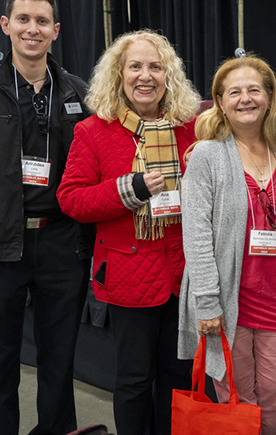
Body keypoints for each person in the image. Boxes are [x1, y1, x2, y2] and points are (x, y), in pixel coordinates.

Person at [0, 0, 91, 435]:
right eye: (23, 19)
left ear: (55, 31)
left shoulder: (78, 94)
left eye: (41, 22)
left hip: (61, 244)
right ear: (5, 25)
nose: (31, 29)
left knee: (60, 362)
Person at [57, 29, 199, 435]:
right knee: (134, 382)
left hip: (182, 274)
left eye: (155, 66)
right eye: (134, 66)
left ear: (168, 75)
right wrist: (131, 189)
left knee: (177, 381)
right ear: (118, 75)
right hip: (128, 277)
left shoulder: (190, 129)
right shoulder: (93, 132)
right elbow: (72, 200)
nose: (145, 75)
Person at [178, 55, 276, 435]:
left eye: (254, 90)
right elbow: (195, 234)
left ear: (269, 97)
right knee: (237, 399)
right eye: (235, 92)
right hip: (228, 304)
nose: (246, 99)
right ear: (220, 101)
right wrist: (207, 303)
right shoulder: (207, 155)